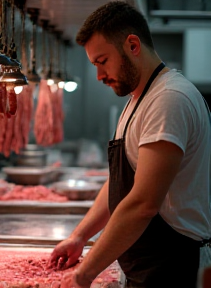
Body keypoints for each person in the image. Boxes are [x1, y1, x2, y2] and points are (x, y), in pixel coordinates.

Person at [48, 1, 211, 288]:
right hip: (149, 264)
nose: (99, 76)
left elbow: (143, 203)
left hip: (175, 267)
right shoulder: (138, 100)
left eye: (102, 61)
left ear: (133, 45)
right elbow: (119, 182)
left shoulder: (169, 99)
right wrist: (79, 237)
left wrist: (84, 275)